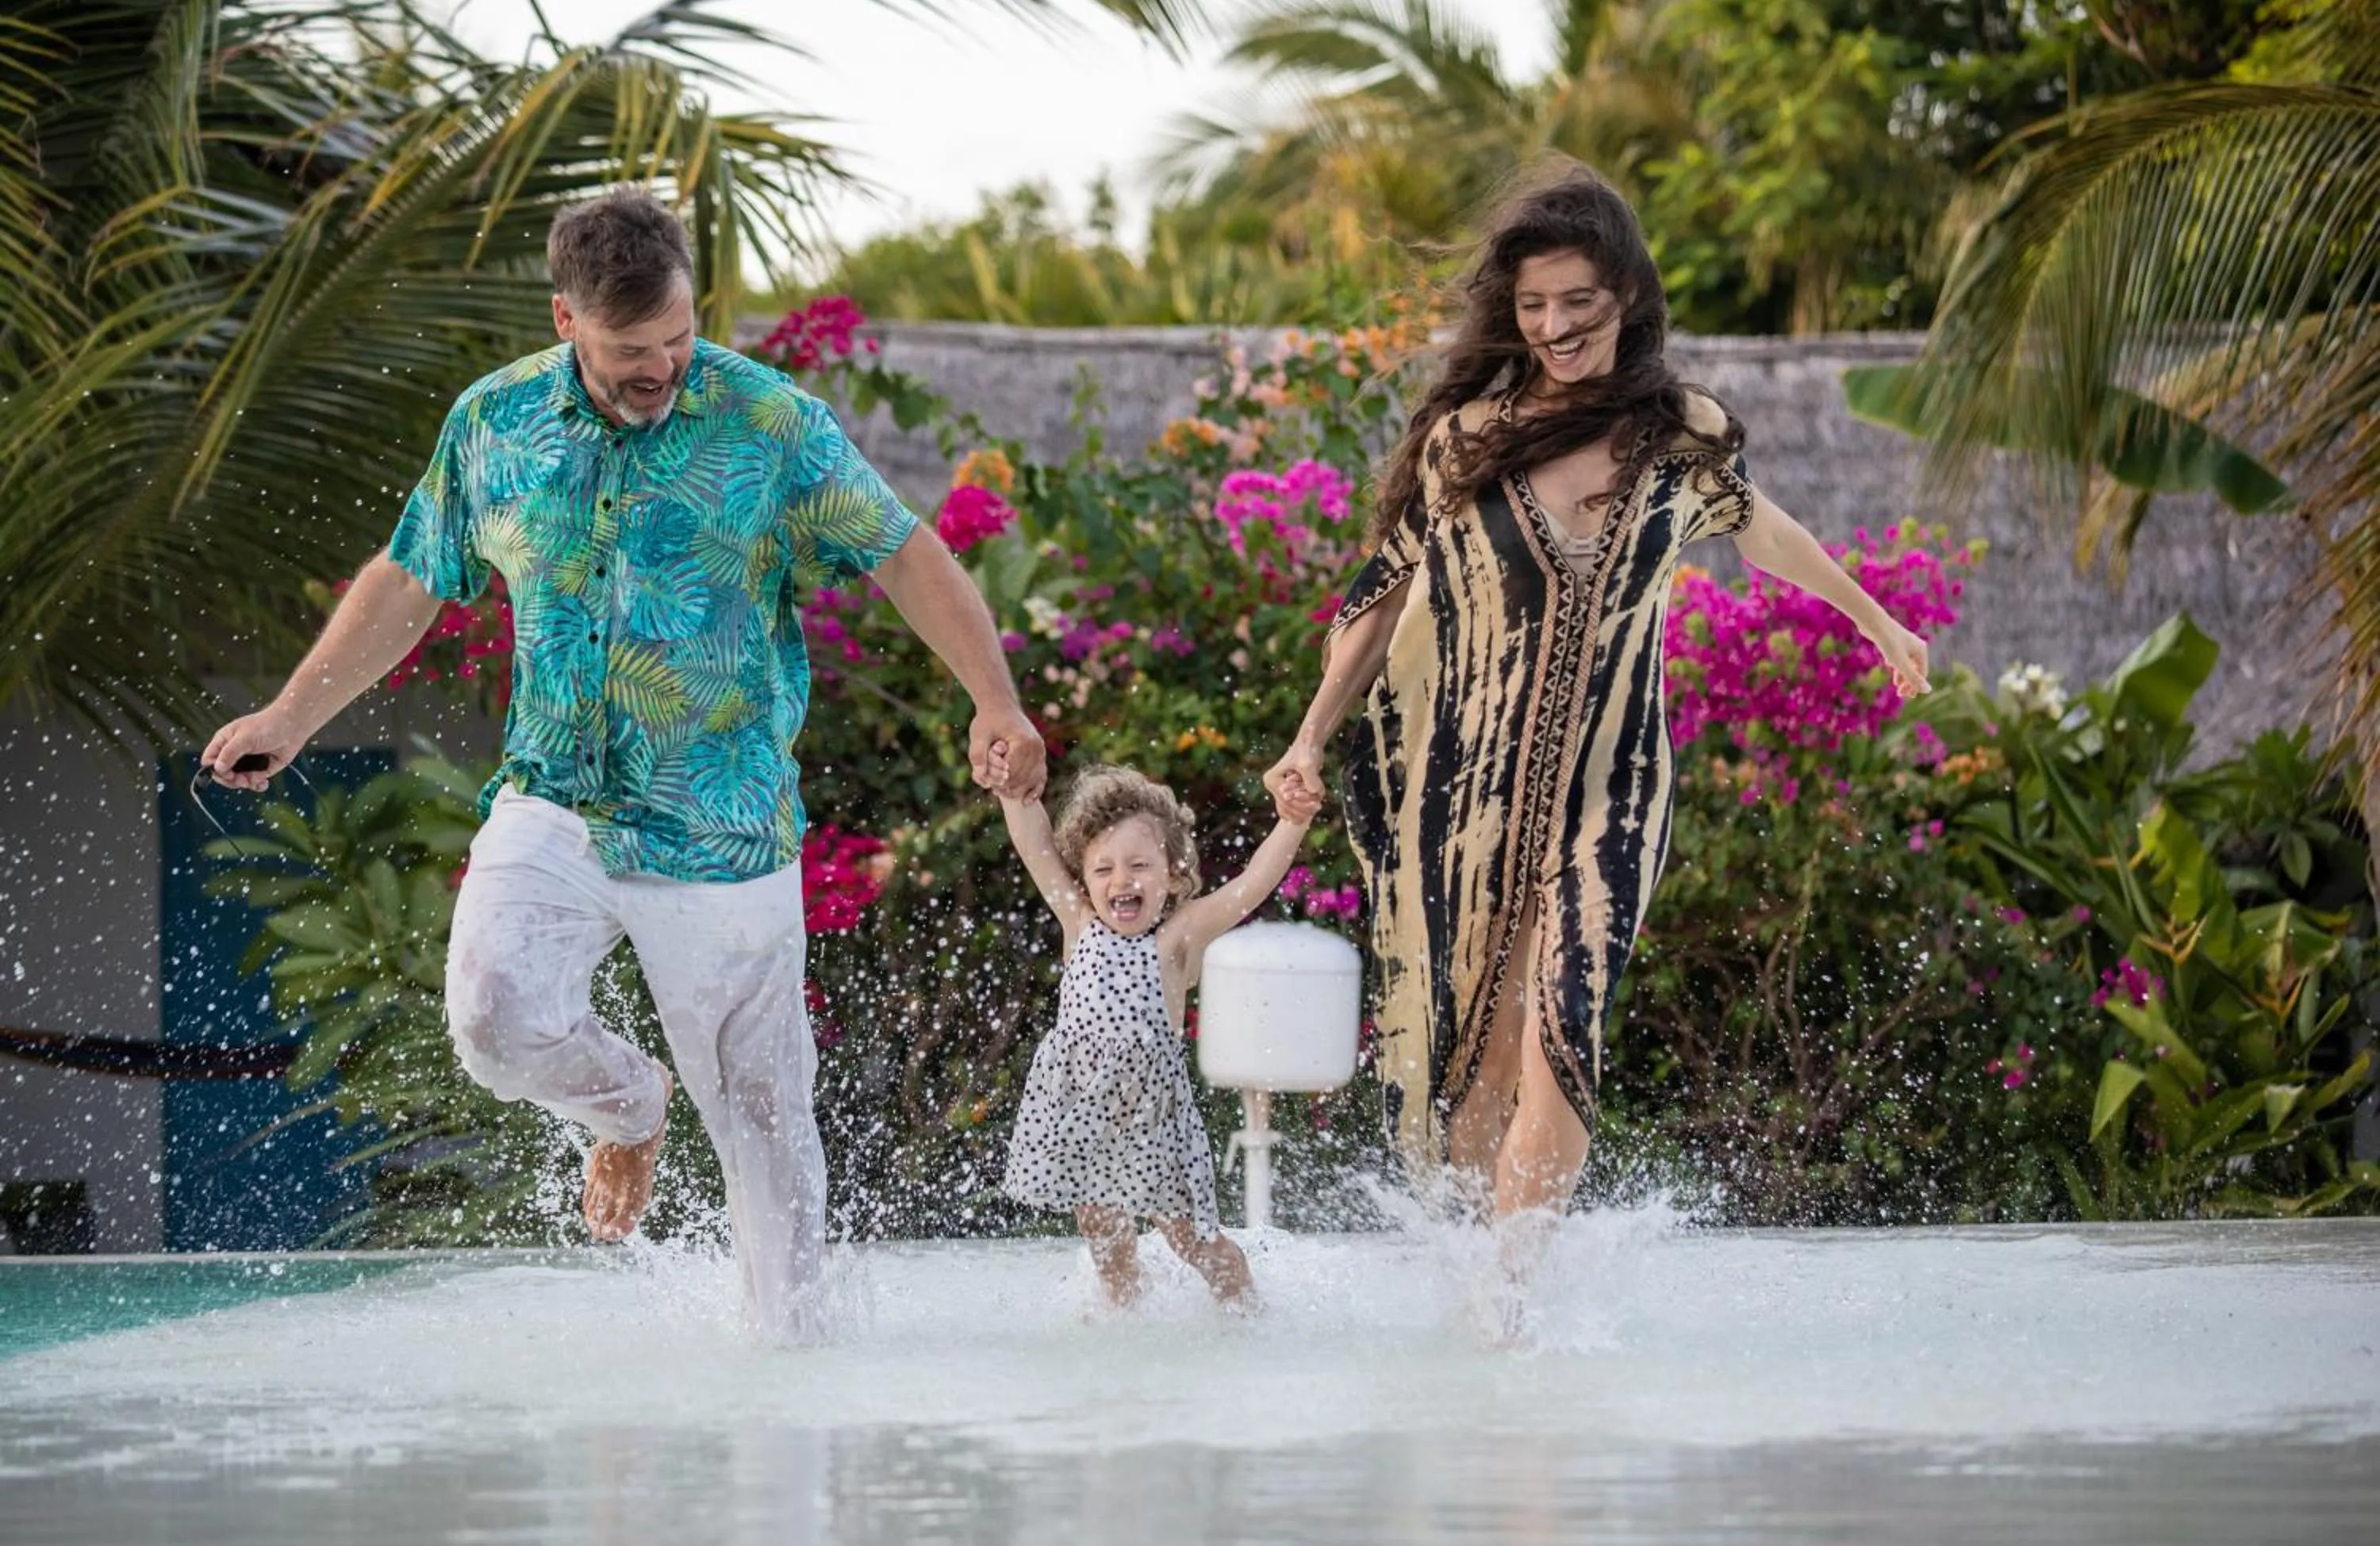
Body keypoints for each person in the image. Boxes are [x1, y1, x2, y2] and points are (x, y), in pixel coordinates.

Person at [201, 186, 1045, 1340]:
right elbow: (410, 575)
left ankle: (789, 1368)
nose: (662, 368)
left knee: (761, 1116)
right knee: (492, 1015)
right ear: (565, 320)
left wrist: (994, 697)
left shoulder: (768, 425)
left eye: (678, 340)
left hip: (721, 822)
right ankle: (626, 1103)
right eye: (631, 350)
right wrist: (295, 714)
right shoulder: (494, 426)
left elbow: (905, 554)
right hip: (555, 802)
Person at [1263, 160, 1929, 1291]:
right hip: (1464, 798)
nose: (1556, 326)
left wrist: (1876, 621)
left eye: (1578, 301)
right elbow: (1380, 599)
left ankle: (1515, 1300)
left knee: (1565, 1033)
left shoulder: (1683, 435)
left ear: (1625, 293)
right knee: (1475, 1061)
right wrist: (1312, 736)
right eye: (1533, 307)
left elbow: (1764, 531)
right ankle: (1476, 1286)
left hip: (1613, 792)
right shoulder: (1465, 442)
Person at [994, 762, 1314, 1311]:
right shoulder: (1079, 923)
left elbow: (1252, 886)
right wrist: (1011, 788)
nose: (1122, 881)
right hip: (1090, 1117)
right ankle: (1127, 1324)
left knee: (1195, 1240)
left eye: (1140, 865)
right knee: (1104, 1236)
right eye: (1104, 869)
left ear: (1172, 873)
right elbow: (1034, 846)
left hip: (1155, 1123)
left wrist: (1292, 822)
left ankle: (1250, 1316)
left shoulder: (1176, 938)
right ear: (1085, 878)